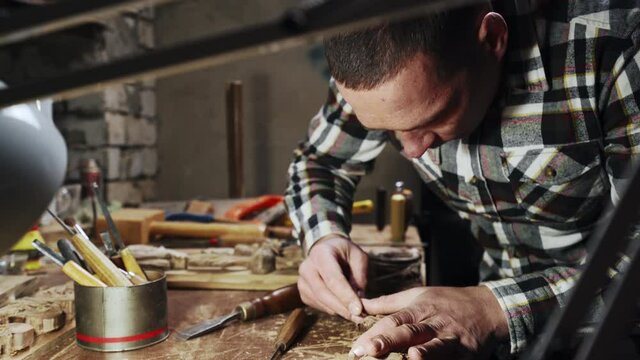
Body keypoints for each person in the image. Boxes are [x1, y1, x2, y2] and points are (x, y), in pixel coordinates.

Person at [284, 0, 640, 358]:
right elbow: (320, 162)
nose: (412, 151)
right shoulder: (379, 67)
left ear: (493, 39)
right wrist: (323, 238)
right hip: (498, 328)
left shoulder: (615, 48)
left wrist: (493, 308)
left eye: (431, 118)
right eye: (388, 129)